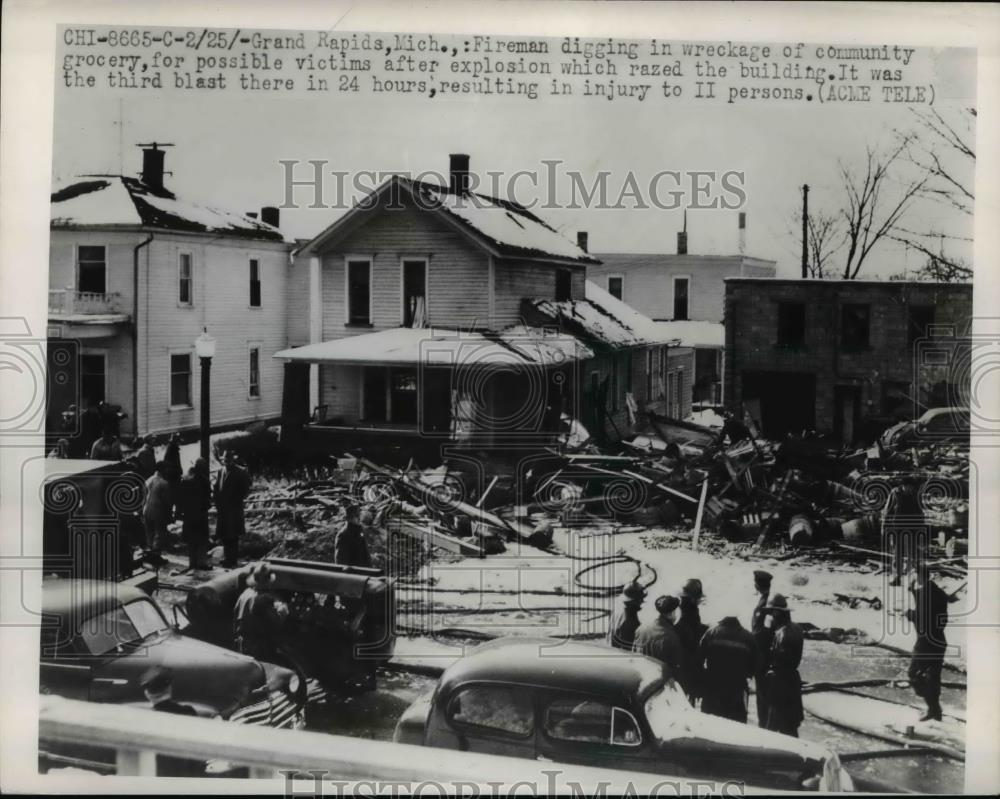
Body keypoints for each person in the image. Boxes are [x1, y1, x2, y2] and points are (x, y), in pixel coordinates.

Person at [140, 666, 203, 776]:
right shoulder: (187, 712)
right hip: (186, 776)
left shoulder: (145, 720)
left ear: (147, 694)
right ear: (169, 688)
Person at [906, 564, 948, 721]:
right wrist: (912, 591)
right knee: (933, 676)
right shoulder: (936, 591)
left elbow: (923, 619)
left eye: (912, 574)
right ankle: (935, 711)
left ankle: (933, 708)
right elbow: (927, 603)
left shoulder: (926, 595)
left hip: (925, 642)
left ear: (918, 575)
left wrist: (909, 614)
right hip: (939, 641)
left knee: (913, 674)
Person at [699, 614, 758, 723]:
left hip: (713, 687)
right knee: (735, 725)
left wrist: (704, 678)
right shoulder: (748, 637)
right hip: (736, 690)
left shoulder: (711, 633)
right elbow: (755, 663)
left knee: (711, 724)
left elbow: (699, 659)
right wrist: (747, 675)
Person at [762, 594, 805, 737]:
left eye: (771, 613)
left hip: (780, 683)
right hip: (792, 681)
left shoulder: (782, 633)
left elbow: (779, 659)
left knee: (772, 727)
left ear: (777, 613)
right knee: (791, 727)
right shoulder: (797, 629)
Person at [234, 563, 288, 661]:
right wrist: (283, 609)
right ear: (268, 581)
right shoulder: (264, 600)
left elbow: (235, 614)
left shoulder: (245, 594)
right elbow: (276, 622)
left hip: (242, 641)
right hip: (258, 645)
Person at [882, 477, 926, 586]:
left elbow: (920, 511)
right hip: (897, 527)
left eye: (912, 488)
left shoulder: (916, 494)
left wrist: (921, 526)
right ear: (903, 486)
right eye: (908, 487)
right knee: (897, 553)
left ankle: (915, 578)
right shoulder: (895, 493)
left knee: (914, 553)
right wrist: (884, 527)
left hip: (912, 527)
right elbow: (887, 511)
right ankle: (897, 577)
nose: (910, 490)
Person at [632, 595, 684, 687]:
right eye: (675, 612)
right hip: (660, 684)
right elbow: (675, 667)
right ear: (671, 614)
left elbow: (633, 654)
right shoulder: (671, 637)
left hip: (642, 679)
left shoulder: (641, 629)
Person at [214, 450, 251, 568]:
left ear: (233, 460)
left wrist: (235, 500)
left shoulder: (240, 472)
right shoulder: (220, 471)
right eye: (224, 461)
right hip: (223, 509)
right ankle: (226, 557)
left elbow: (245, 490)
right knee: (225, 534)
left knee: (233, 535)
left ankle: (232, 559)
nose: (226, 463)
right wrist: (216, 501)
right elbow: (216, 487)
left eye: (228, 460)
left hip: (234, 509)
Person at [675, 578, 708, 704]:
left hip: (686, 663)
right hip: (688, 663)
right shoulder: (686, 613)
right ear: (694, 598)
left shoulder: (685, 609)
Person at [178, 458, 212, 570]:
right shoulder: (205, 481)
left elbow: (180, 499)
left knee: (191, 540)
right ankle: (201, 563)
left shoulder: (185, 480)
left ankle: (192, 563)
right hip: (201, 515)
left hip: (188, 515)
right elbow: (208, 500)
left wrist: (181, 512)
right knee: (202, 540)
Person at [750, 569, 774, 727]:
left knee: (763, 693)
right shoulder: (767, 600)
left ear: (758, 584)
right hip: (764, 653)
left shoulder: (765, 605)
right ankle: (764, 722)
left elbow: (763, 633)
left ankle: (763, 724)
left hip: (762, 654)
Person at [142, 461, 173, 563]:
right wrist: (169, 515)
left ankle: (150, 555)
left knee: (149, 533)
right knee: (159, 533)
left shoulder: (148, 480)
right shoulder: (164, 483)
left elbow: (143, 496)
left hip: (146, 510)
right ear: (163, 469)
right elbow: (167, 501)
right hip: (158, 511)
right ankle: (156, 556)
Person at [607, 581, 646, 651]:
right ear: (634, 600)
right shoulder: (629, 620)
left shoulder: (618, 609)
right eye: (641, 599)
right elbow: (629, 648)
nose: (642, 601)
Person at [334, 503, 372, 569]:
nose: (359, 519)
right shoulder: (344, 534)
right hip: (354, 574)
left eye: (359, 515)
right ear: (349, 518)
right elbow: (340, 561)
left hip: (364, 571)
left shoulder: (359, 530)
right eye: (356, 516)